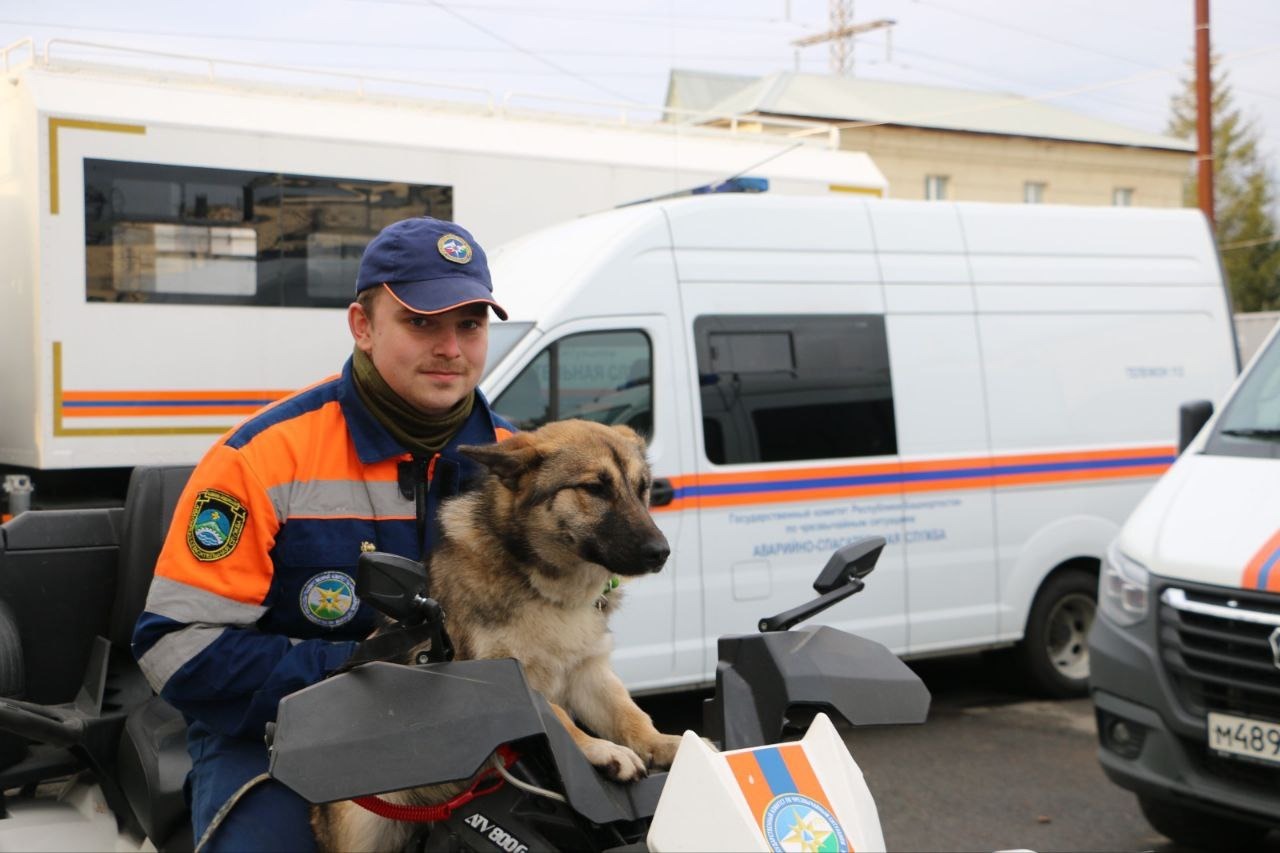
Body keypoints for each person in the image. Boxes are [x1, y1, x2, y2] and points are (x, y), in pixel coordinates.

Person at [132, 216, 516, 852]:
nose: (451, 347)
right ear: (362, 327)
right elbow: (176, 647)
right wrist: (359, 669)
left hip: (463, 734)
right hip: (275, 739)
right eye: (422, 322)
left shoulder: (517, 463)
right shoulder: (260, 458)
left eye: (470, 325)